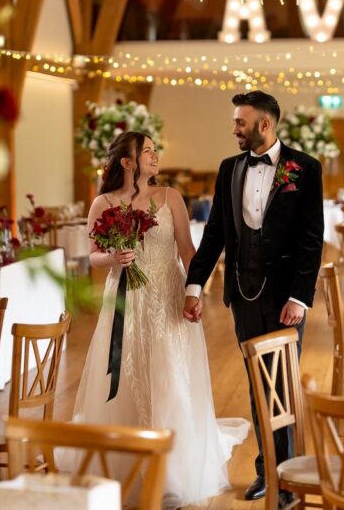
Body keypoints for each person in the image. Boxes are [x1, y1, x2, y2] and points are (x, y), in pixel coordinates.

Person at [68, 131, 248, 508]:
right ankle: (127, 466)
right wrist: (113, 259)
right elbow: (94, 255)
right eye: (147, 150)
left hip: (167, 299)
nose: (155, 155)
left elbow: (187, 248)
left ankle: (172, 474)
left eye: (154, 150)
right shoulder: (103, 202)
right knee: (130, 380)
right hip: (126, 303)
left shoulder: (170, 198)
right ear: (127, 162)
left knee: (170, 379)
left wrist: (193, 291)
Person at [184, 91, 325, 502]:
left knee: (281, 385)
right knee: (255, 385)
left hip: (285, 300)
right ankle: (268, 472)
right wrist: (195, 286)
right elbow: (214, 236)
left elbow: (311, 239)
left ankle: (288, 477)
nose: (234, 130)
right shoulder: (229, 169)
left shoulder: (304, 168)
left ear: (265, 124)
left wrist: (300, 297)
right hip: (243, 296)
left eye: (240, 123)